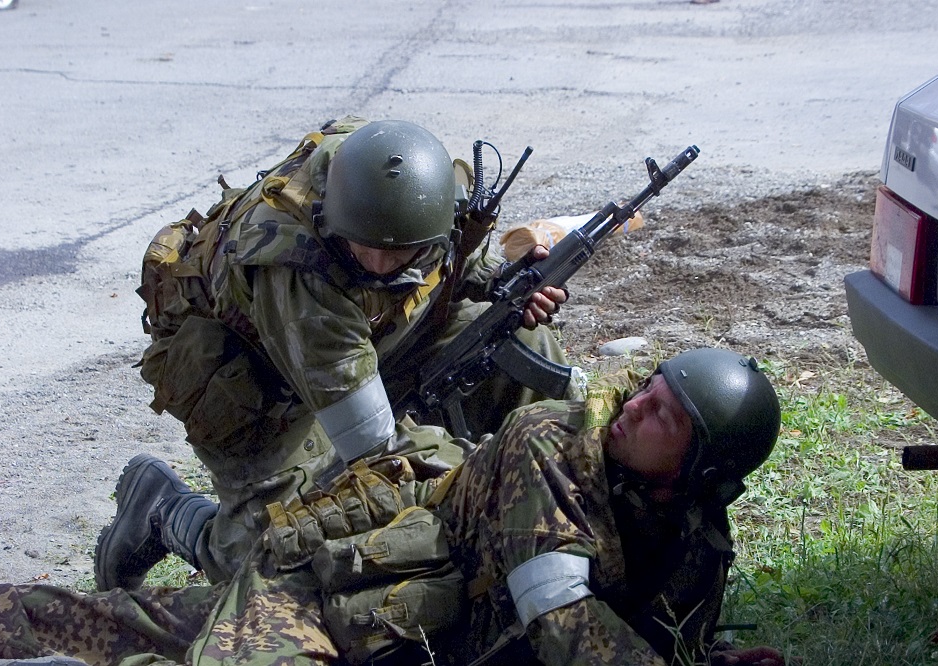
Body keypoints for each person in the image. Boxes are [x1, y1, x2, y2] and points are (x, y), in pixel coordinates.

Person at [0, 347, 786, 666]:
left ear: (697, 471)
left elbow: (655, 642)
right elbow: (566, 624)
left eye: (667, 416)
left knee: (127, 622)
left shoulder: (696, 542)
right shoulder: (552, 439)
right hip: (328, 599)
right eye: (651, 386)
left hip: (401, 636)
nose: (638, 406)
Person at [94, 116, 576, 592]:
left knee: (513, 341)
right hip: (260, 384)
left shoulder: (418, 198)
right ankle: (162, 509)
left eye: (402, 251)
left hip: (366, 338)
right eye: (365, 247)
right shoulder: (298, 272)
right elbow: (377, 453)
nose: (381, 265)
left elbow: (459, 257)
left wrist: (502, 281)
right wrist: (489, 476)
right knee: (279, 557)